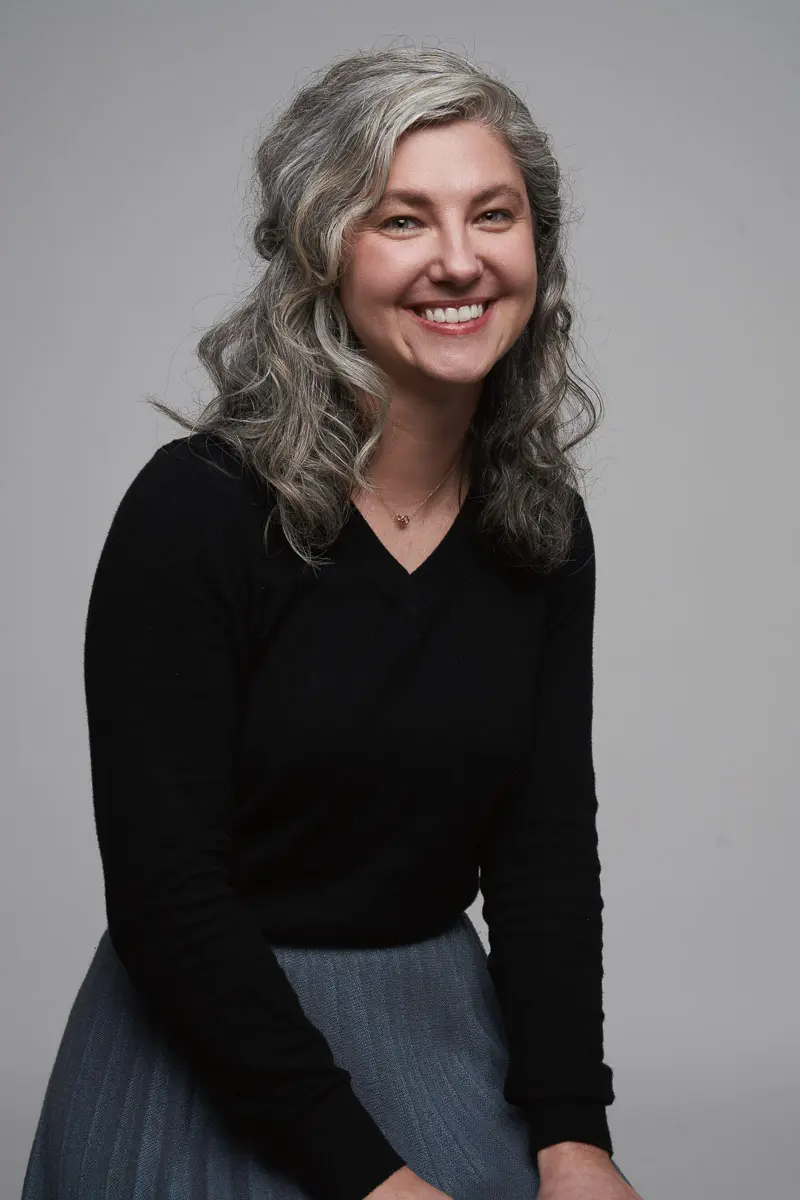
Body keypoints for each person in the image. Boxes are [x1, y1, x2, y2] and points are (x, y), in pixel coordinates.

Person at [20, 42, 642, 1200]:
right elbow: (168, 896)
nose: (458, 259)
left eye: (492, 214)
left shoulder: (539, 525)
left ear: (536, 245)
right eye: (401, 220)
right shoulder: (194, 511)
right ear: (321, 250)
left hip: (438, 1034)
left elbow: (543, 854)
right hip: (207, 1055)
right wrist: (369, 1180)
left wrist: (572, 1135)